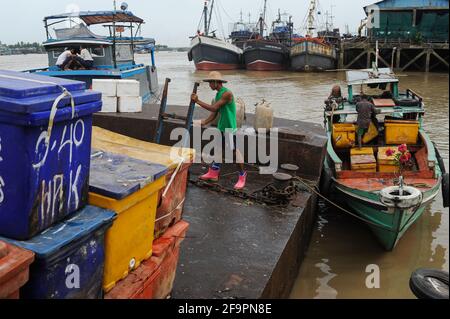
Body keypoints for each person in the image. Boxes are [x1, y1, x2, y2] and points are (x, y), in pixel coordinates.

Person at [191, 71, 247, 190]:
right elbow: (215, 113)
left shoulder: (226, 94)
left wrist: (197, 101)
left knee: (234, 152)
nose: (209, 85)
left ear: (216, 82)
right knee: (218, 150)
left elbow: (213, 107)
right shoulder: (218, 94)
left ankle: (242, 176)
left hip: (229, 128)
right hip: (222, 126)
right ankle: (214, 173)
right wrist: (204, 122)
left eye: (210, 82)